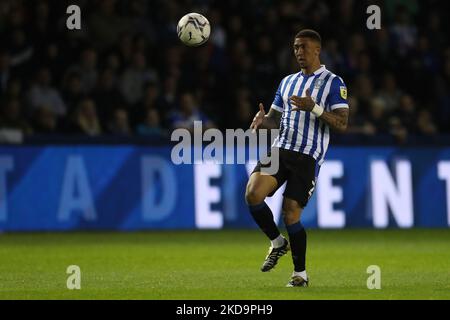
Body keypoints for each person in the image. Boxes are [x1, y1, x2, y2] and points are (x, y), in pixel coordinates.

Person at [246, 29, 349, 287]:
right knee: (253, 193)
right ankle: (277, 242)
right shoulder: (287, 82)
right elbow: (274, 119)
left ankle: (300, 275)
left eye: (304, 47)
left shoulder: (334, 82)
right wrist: (262, 122)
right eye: (295, 47)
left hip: (308, 155)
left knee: (290, 213)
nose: (299, 52)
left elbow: (342, 124)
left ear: (317, 50)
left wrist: (313, 107)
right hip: (281, 149)